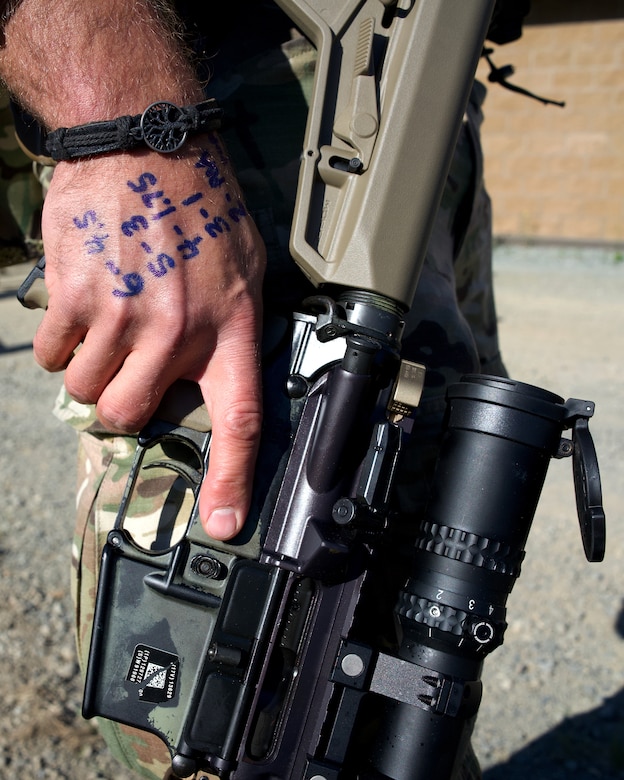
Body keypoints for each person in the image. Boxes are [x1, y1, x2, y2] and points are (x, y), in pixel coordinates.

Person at [0, 1, 510, 778]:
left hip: (424, 106)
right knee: (257, 718)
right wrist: (122, 120)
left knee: (409, 676)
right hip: (232, 108)